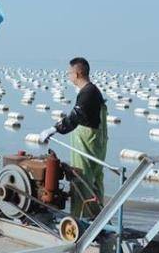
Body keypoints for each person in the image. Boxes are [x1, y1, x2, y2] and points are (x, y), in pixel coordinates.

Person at [39, 57, 108, 219]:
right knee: (95, 185)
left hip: (87, 147)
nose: (68, 76)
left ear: (77, 73)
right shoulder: (93, 91)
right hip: (96, 146)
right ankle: (98, 219)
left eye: (69, 73)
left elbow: (75, 116)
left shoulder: (88, 93)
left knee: (81, 182)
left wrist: (54, 128)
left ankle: (80, 222)